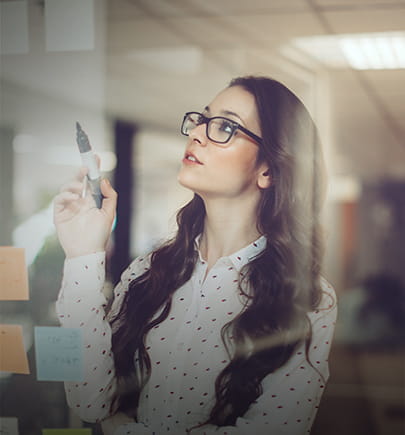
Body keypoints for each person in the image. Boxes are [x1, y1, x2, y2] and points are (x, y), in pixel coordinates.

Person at [54, 76, 337, 435]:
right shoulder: (149, 271)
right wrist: (82, 255)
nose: (198, 133)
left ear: (267, 170)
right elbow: (90, 402)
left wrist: (124, 429)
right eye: (202, 119)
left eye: (225, 126)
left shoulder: (308, 297)